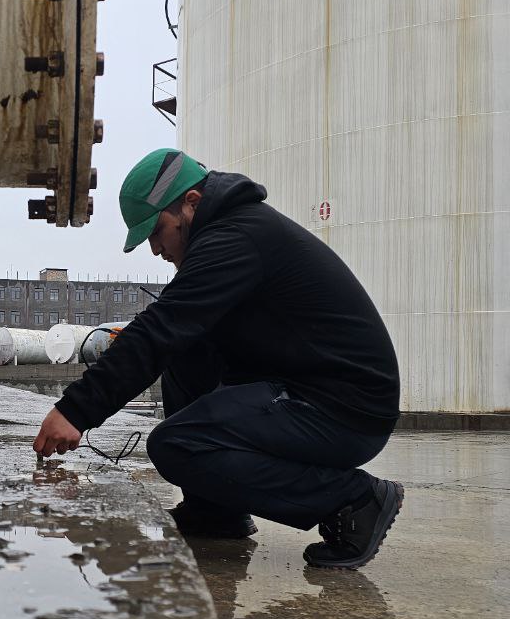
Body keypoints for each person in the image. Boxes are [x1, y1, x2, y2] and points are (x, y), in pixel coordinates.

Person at [32, 149, 404, 570]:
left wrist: (75, 410)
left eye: (158, 232)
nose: (156, 249)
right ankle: (215, 510)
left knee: (177, 445)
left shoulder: (237, 238)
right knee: (188, 350)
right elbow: (171, 332)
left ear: (191, 202)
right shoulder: (231, 235)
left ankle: (353, 500)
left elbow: (160, 329)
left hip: (345, 409)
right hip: (312, 391)